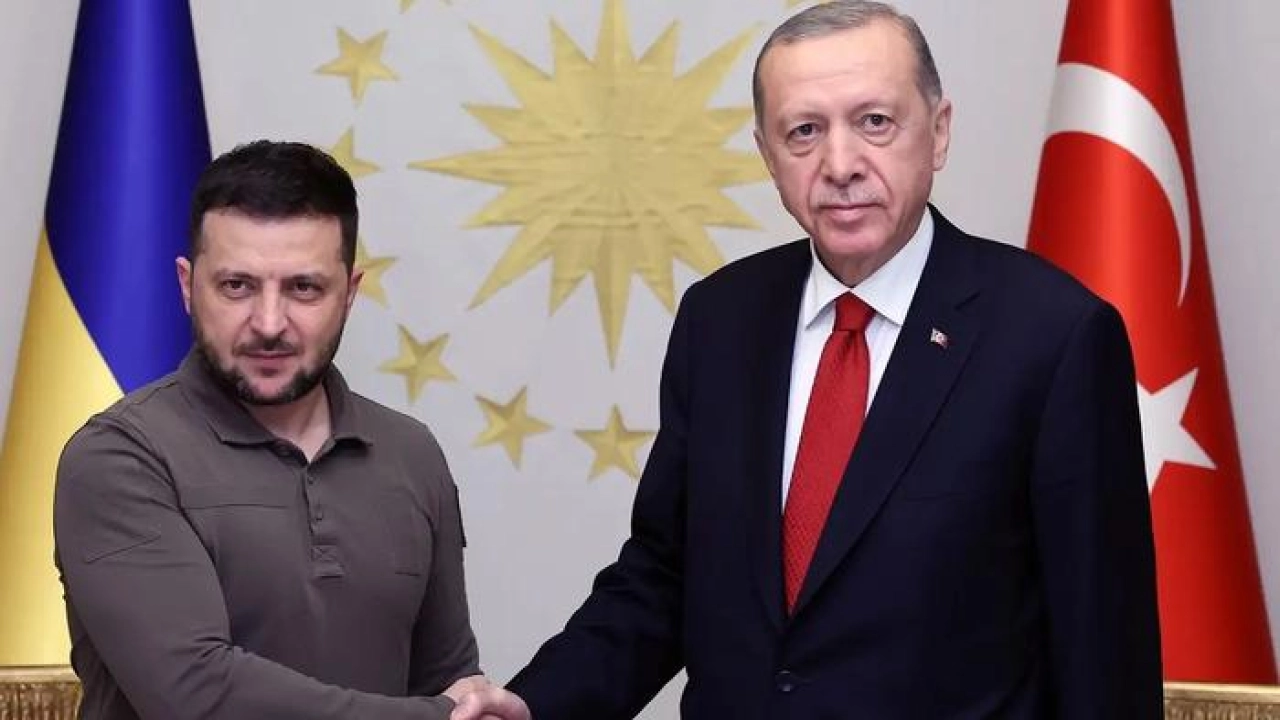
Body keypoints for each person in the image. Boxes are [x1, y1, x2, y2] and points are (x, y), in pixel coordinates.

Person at [462, 2, 1164, 718]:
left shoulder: (1052, 335)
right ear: (768, 154)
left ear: (939, 131)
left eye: (875, 122)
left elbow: (1103, 648)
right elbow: (665, 576)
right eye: (804, 131)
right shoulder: (720, 320)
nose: (840, 165)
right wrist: (534, 703)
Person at [54, 140, 524, 719]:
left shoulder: (411, 453)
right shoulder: (119, 458)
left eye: (304, 288)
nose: (270, 323)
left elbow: (450, 681)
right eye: (237, 286)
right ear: (186, 286)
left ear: (349, 294)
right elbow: (195, 695)